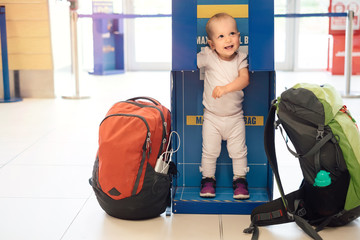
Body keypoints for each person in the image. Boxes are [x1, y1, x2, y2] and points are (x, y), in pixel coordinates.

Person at [197, 13, 250, 199]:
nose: (228, 39)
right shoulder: (208, 57)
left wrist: (226, 88)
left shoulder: (240, 58)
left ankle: (240, 181)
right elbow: (189, 61)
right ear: (212, 44)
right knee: (210, 151)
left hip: (235, 117)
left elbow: (244, 79)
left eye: (232, 33)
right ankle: (207, 180)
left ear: (239, 36)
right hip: (212, 117)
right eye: (221, 36)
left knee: (239, 151)